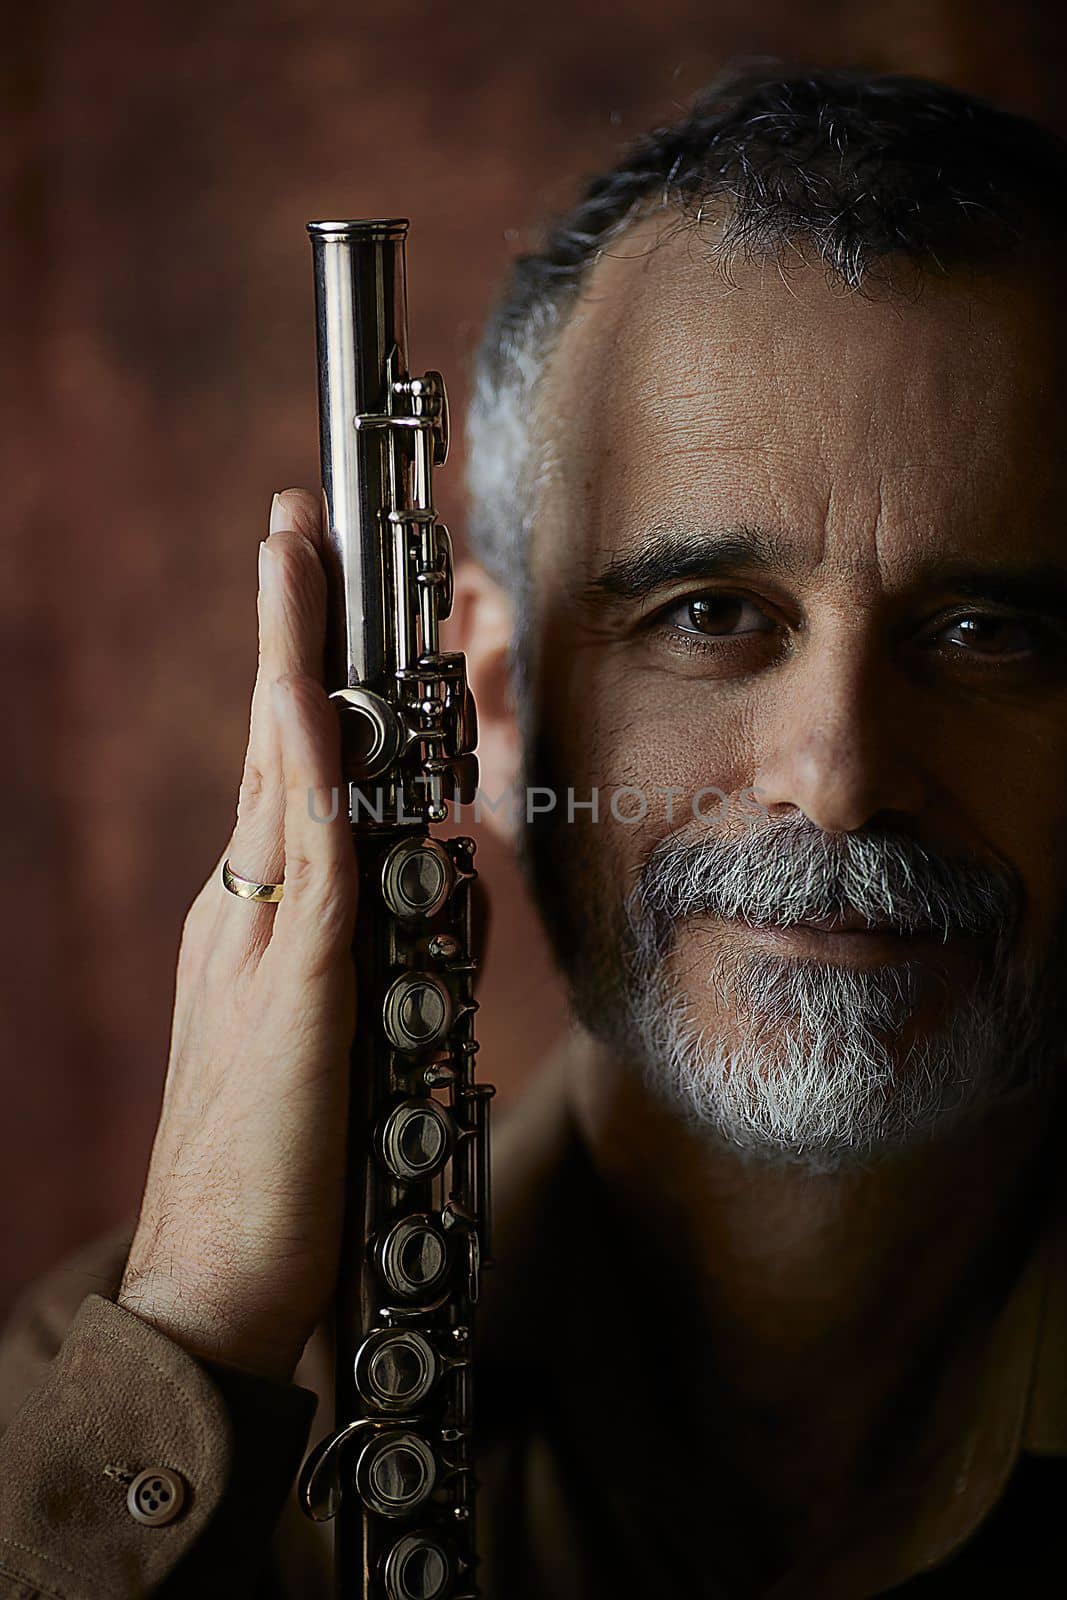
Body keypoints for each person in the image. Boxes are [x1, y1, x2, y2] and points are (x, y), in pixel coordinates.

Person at [3, 61, 1067, 1600]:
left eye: (986, 635)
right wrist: (201, 1328)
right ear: (489, 704)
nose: (839, 781)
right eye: (709, 614)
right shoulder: (111, 1401)